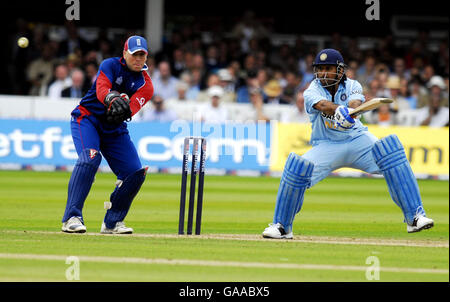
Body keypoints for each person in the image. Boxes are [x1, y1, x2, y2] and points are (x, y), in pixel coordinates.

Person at [262, 49, 434, 239]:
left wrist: (350, 112)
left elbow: (354, 104)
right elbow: (322, 105)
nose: (323, 73)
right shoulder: (312, 89)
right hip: (327, 144)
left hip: (357, 139)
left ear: (340, 71)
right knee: (296, 167)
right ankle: (282, 227)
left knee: (390, 150)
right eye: (320, 69)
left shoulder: (353, 85)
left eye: (328, 69)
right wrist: (339, 111)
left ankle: (415, 217)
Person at [61, 36, 154, 234]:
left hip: (114, 127)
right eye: (134, 55)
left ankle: (112, 222)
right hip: (87, 119)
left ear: (146, 57)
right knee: (90, 158)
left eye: (142, 55)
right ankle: (72, 217)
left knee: (135, 173)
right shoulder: (110, 65)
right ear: (124, 54)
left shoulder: (146, 85)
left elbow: (129, 110)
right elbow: (102, 87)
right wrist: (111, 97)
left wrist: (123, 108)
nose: (138, 59)